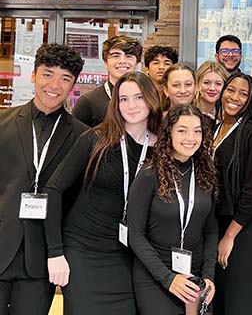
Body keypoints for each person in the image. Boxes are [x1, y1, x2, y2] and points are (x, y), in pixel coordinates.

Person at [45, 72, 161, 315]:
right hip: (83, 250)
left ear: (152, 99)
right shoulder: (96, 139)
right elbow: (53, 190)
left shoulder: (162, 148)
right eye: (124, 99)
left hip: (128, 256)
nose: (131, 105)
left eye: (139, 97)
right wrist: (55, 252)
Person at [0, 43, 87, 315]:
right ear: (34, 75)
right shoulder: (2, 122)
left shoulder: (82, 136)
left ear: (73, 84)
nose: (55, 85)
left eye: (65, 78)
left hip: (43, 257)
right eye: (48, 74)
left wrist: (60, 252)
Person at [127, 104, 218, 315]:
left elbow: (211, 230)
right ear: (169, 133)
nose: (191, 137)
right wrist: (168, 279)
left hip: (195, 275)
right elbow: (135, 233)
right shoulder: (150, 173)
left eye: (197, 131)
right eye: (182, 130)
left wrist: (208, 276)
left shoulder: (205, 173)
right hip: (156, 274)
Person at [213, 73, 252, 315]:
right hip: (217, 225)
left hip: (242, 231)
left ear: (251, 99)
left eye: (243, 94)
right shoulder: (213, 128)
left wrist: (229, 236)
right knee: (221, 300)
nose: (234, 97)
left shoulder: (251, 133)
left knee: (239, 303)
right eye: (230, 90)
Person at [72, 35, 142, 127]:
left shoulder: (146, 99)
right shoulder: (88, 102)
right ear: (105, 63)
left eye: (128, 56)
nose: (122, 61)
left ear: (136, 64)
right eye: (116, 56)